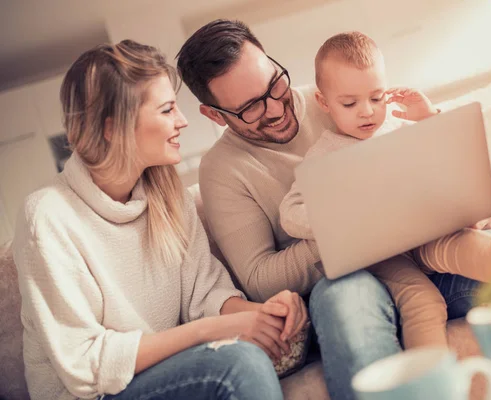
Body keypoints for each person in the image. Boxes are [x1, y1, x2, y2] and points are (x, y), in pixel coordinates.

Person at [176, 19, 491, 399]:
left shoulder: (342, 95)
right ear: (214, 114)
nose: (275, 108)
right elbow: (259, 278)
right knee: (346, 303)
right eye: (250, 108)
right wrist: (354, 225)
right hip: (340, 281)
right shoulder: (223, 170)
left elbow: (417, 156)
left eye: (275, 85)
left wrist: (458, 202)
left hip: (419, 254)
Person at [12, 40, 308, 400]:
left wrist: (265, 313)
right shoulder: (48, 216)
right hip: (92, 395)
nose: (182, 121)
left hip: (163, 375)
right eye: (167, 110)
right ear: (112, 127)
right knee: (238, 363)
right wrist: (211, 331)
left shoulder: (169, 198)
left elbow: (206, 295)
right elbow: (85, 365)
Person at [279, 31, 491, 349]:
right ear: (324, 103)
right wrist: (338, 215)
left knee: (472, 246)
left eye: (377, 98)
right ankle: (430, 379)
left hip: (426, 233)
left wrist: (428, 119)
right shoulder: (324, 155)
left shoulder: (399, 127)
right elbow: (290, 212)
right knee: (422, 301)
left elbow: (459, 159)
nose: (367, 111)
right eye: (350, 103)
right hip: (380, 254)